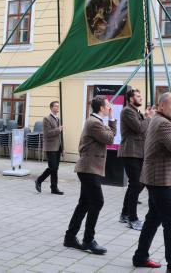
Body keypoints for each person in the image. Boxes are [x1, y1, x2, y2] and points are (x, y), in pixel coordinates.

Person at [131, 92, 171, 271]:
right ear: (162, 106)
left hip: (155, 177)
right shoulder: (163, 123)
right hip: (160, 179)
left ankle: (140, 256)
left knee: (153, 218)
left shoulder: (158, 119)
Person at [64, 95, 116, 255]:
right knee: (97, 202)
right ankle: (88, 240)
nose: (110, 108)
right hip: (88, 168)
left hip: (89, 168)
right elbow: (110, 138)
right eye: (108, 105)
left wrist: (109, 123)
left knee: (84, 203)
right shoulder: (94, 123)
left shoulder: (96, 122)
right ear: (101, 107)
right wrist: (113, 120)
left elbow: (108, 136)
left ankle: (70, 237)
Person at [118, 89, 153, 230]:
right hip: (130, 152)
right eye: (138, 96)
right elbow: (139, 128)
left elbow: (145, 129)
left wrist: (146, 117)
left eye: (141, 95)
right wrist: (148, 118)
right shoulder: (128, 111)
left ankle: (125, 214)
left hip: (139, 152)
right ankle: (132, 218)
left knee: (136, 184)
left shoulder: (136, 112)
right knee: (136, 184)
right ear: (131, 99)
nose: (141, 98)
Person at [35, 101, 64, 195]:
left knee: (55, 168)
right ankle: (39, 180)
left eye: (58, 106)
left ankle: (54, 188)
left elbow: (60, 136)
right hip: (50, 147)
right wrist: (58, 129)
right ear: (51, 107)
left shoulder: (58, 119)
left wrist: (62, 147)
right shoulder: (46, 119)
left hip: (58, 147)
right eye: (55, 106)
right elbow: (47, 134)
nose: (57, 108)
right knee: (53, 168)